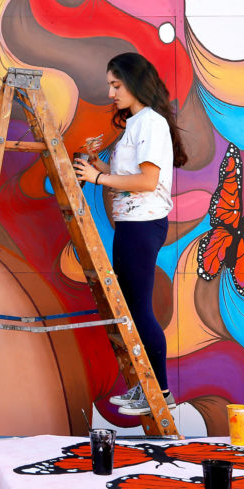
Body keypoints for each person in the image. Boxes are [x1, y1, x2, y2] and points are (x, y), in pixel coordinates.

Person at [73, 52, 188, 415]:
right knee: (132, 309)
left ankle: (161, 391)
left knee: (139, 310)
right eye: (110, 85)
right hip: (131, 224)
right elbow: (129, 177)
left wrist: (98, 178)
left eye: (116, 85)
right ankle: (145, 388)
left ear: (135, 83)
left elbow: (147, 181)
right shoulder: (136, 124)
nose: (110, 93)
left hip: (142, 226)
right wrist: (99, 165)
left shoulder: (150, 123)